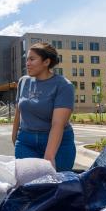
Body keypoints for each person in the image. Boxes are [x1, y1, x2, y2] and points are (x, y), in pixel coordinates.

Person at [11, 43, 75, 172]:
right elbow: (19, 112)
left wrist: (49, 157)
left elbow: (58, 124)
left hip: (58, 144)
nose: (27, 63)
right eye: (27, 59)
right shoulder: (23, 82)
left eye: (32, 59)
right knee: (29, 187)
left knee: (55, 188)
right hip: (26, 142)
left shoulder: (64, 85)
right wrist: (15, 138)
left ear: (46, 62)